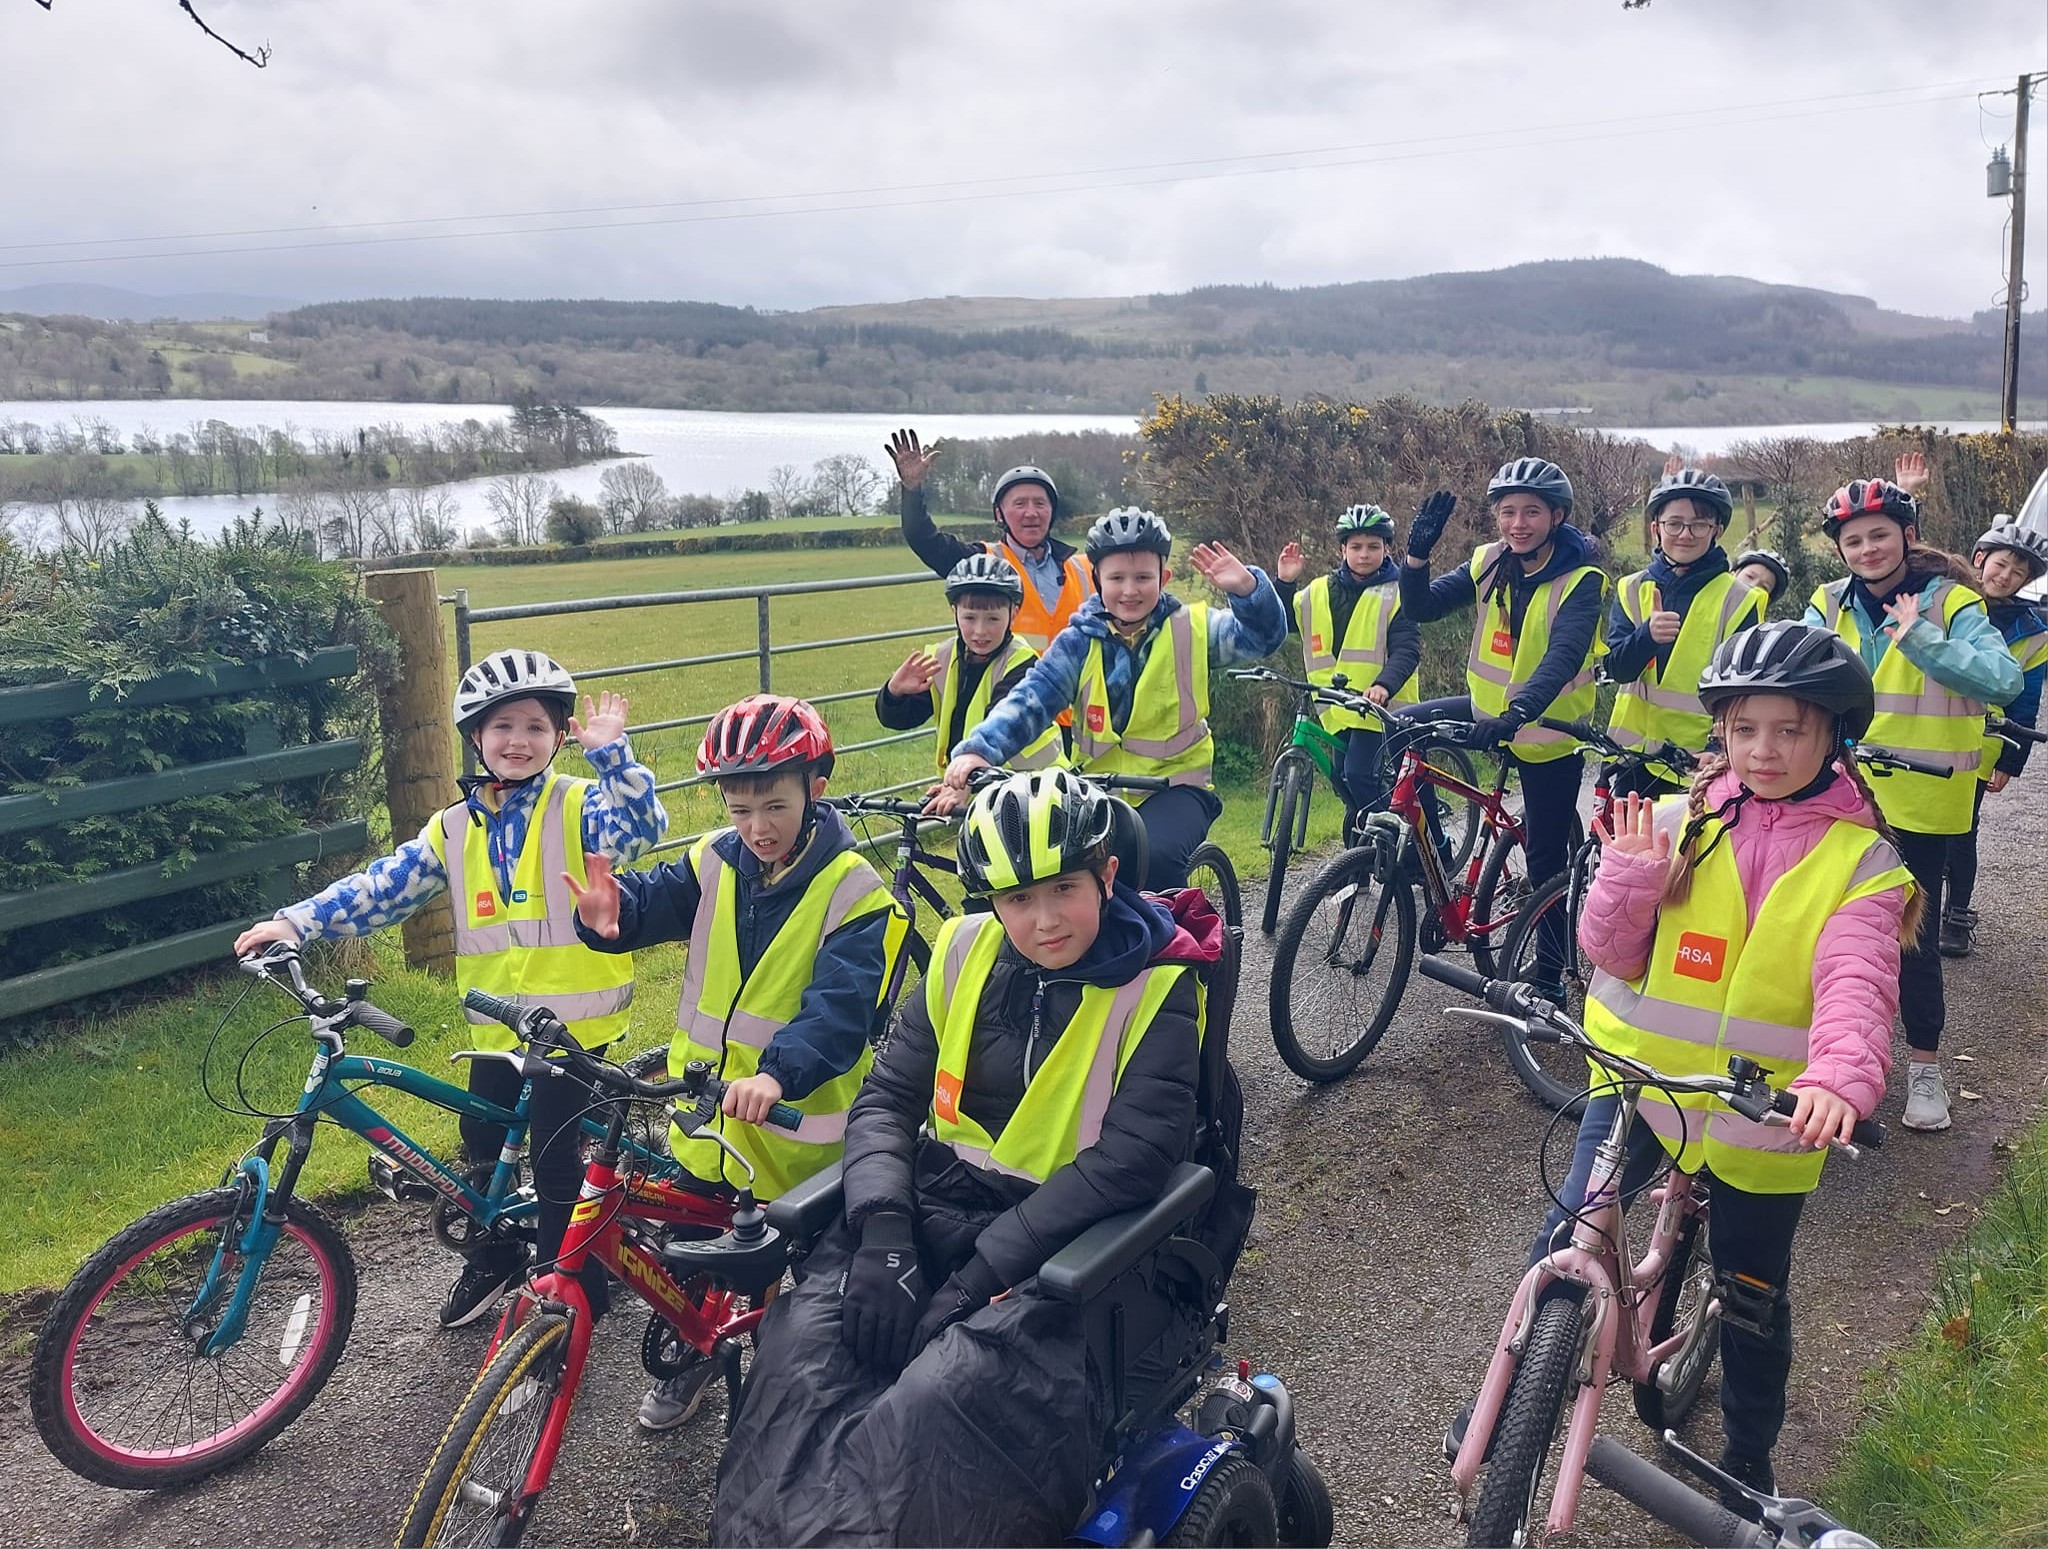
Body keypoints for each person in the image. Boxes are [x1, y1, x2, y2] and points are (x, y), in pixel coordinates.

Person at [711, 768, 1221, 1547]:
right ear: (992, 899)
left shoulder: (1158, 985)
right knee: (803, 1352)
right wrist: (882, 1234)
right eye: (1018, 899)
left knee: (936, 1402)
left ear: (1107, 873)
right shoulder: (958, 952)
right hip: (932, 1205)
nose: (1044, 920)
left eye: (1063, 889)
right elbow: (885, 1103)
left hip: (1062, 1251)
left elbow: (1131, 1161)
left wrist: (981, 1275)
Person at [1534, 620, 1919, 1508]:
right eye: (1745, 729)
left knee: (1750, 1292)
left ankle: (1748, 1456)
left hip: (1761, 1114)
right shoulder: (1679, 820)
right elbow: (1612, 956)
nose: (1765, 749)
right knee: (1565, 1239)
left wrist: (1837, 1080)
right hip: (1639, 1077)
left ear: (1833, 735)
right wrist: (1627, 879)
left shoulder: (1861, 863)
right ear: (1723, 732)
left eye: (1791, 729)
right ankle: (1524, 1390)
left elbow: (1858, 984)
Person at [230, 649, 667, 1329]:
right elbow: (384, 887)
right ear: (475, 737)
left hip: (575, 1025)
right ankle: (494, 1258)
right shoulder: (454, 825)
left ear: (559, 737)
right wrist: (296, 920)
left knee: (554, 1170)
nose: (517, 741)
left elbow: (641, 831)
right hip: (497, 1025)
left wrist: (614, 760)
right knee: (481, 1142)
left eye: (535, 726)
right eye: (502, 728)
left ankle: (569, 1302)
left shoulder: (581, 804)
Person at [566, 693, 907, 1430]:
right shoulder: (714, 859)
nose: (755, 827)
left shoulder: (857, 893)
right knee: (692, 1263)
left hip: (799, 1145)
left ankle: (803, 1399)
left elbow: (839, 1010)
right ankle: (694, 1356)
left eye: (773, 805)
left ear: (816, 787)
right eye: (739, 806)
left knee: (811, 1299)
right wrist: (610, 915)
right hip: (709, 1125)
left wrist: (777, 1073)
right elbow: (649, 901)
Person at [1802, 479, 2019, 1131]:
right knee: (1822, 934)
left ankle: (1925, 1069)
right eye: (1853, 539)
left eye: (1879, 534)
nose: (1867, 548)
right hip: (1838, 797)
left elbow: (2002, 679)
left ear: (1907, 536)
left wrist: (1921, 638)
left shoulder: (1950, 599)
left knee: (1910, 945)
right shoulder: (1827, 602)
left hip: (1923, 801)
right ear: (1840, 550)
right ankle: (1830, 1068)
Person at [936, 507, 1288, 889]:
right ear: (1097, 580)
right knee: (1062, 872)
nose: (1130, 590)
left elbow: (1262, 639)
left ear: (1164, 578)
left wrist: (1248, 592)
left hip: (1177, 787)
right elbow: (1032, 698)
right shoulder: (1079, 641)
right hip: (1097, 789)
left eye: (1143, 577)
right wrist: (979, 750)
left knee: (1152, 859)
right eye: (1117, 577)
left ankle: (1182, 947)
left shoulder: (1194, 628)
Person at [1398, 458, 1607, 988]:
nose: (1518, 523)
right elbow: (1421, 607)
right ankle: (1426, 858)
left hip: (1548, 734)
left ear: (1557, 516)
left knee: (1543, 862)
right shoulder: (1492, 561)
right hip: (1485, 710)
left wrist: (1517, 714)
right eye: (1507, 512)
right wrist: (1416, 555)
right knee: (1397, 727)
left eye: (1531, 512)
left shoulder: (1582, 581)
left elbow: (1561, 659)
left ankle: (1551, 977)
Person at [1603, 469, 1767, 797]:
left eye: (1699, 525)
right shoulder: (1630, 588)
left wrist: (1717, 746)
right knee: (1624, 848)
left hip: (1698, 765)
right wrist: (1646, 637)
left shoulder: (1738, 599)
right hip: (1633, 759)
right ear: (1656, 528)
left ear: (1717, 530)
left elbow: (1743, 690)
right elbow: (1616, 669)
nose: (1685, 534)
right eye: (1674, 523)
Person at [1272, 502, 1422, 831]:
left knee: (1357, 774)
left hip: (1381, 708)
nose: (1364, 554)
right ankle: (1362, 853)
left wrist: (1383, 685)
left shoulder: (1399, 593)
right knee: (1343, 779)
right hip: (1338, 708)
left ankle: (1399, 839)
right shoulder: (1318, 591)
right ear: (1343, 549)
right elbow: (1283, 622)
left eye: (1373, 546)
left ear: (1388, 548)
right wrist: (1285, 583)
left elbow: (1408, 649)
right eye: (1355, 546)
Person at [886, 427, 1096, 653]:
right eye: (1019, 504)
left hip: (1073, 685)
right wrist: (912, 489)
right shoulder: (982, 563)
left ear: (1052, 511)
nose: (1031, 513)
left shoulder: (1083, 568)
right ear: (999, 514)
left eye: (1040, 503)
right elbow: (924, 539)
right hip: (1009, 685)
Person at [1939, 522, 2048, 957]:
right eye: (2000, 564)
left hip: (1980, 746)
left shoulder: (2033, 629)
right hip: (1930, 730)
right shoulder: (1945, 600)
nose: (2004, 577)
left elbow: (2026, 699)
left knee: (1962, 833)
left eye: (2016, 573)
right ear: (1980, 559)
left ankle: (1957, 915)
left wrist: (2010, 760)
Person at [874, 552, 1064, 774]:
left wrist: (964, 781)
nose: (980, 631)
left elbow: (1001, 730)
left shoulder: (1023, 663)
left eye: (993, 619)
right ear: (954, 612)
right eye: (969, 618)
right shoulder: (942, 658)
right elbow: (901, 719)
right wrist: (894, 693)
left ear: (1013, 614)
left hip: (1028, 786)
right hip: (971, 781)